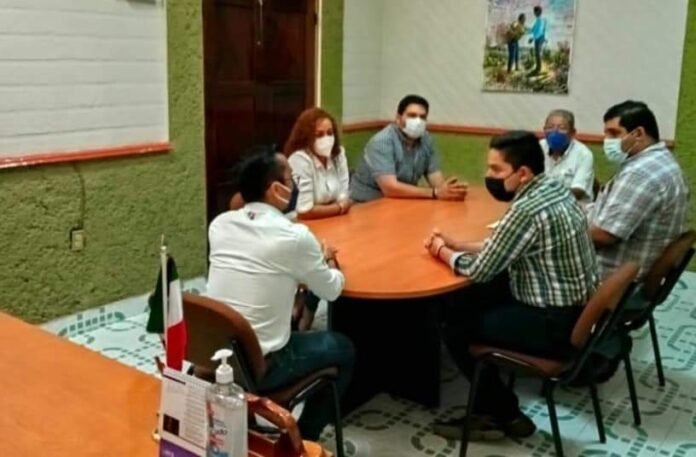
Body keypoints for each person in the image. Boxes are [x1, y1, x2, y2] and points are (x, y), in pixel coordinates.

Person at [424, 131, 598, 441]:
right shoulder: (553, 189)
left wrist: (441, 251)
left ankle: (502, 413)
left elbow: (479, 269)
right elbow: (508, 244)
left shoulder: (526, 209)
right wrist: (459, 245)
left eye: (496, 169)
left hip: (552, 323)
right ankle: (491, 404)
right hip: (573, 310)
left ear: (523, 173)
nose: (488, 175)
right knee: (464, 300)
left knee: (454, 326)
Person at [206, 147, 354, 441]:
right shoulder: (294, 237)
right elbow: (332, 290)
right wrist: (327, 261)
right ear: (276, 189)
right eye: (291, 180)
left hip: (214, 356)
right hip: (263, 365)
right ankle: (304, 439)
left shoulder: (219, 225)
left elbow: (259, 267)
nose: (295, 186)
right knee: (344, 348)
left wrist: (299, 271)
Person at [589, 101, 689, 282]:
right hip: (632, 269)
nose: (607, 141)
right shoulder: (660, 161)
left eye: (614, 133)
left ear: (639, 134)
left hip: (610, 278)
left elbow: (605, 235)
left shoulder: (641, 173)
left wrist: (563, 232)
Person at [286, 107, 351, 329]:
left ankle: (305, 306)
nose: (327, 139)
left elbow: (345, 193)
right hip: (304, 225)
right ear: (307, 136)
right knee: (321, 259)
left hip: (337, 223)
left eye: (330, 133)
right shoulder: (299, 159)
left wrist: (338, 206)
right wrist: (339, 208)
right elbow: (305, 210)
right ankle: (305, 314)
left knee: (343, 255)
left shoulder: (339, 154)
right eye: (319, 134)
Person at [350, 94, 468, 202]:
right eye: (412, 116)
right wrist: (435, 193)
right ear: (398, 118)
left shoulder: (426, 139)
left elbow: (435, 178)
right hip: (367, 203)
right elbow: (390, 188)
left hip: (401, 201)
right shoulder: (382, 141)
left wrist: (450, 190)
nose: (418, 121)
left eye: (422, 117)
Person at [540, 109, 595, 202]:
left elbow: (578, 191)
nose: (555, 132)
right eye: (550, 127)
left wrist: (547, 197)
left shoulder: (584, 154)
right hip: (540, 204)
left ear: (572, 133)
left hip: (572, 205)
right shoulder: (538, 147)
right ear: (544, 130)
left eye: (561, 128)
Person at [528, 6, 547, 75]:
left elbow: (539, 32)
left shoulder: (540, 20)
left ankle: (538, 69)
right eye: (534, 12)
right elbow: (533, 29)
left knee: (537, 53)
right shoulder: (539, 20)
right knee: (537, 53)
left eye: (535, 12)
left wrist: (532, 38)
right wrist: (525, 31)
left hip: (539, 38)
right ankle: (538, 68)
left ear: (538, 12)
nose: (534, 13)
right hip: (539, 38)